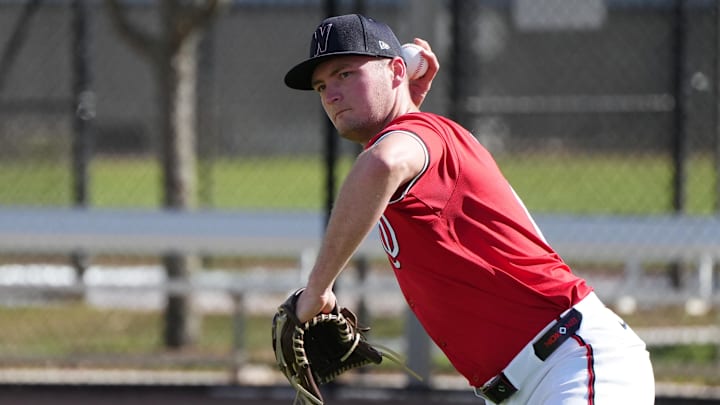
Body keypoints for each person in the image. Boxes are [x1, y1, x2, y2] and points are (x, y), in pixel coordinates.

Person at [283, 13, 655, 404]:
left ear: (396, 72)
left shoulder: (410, 140)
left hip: (571, 363)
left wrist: (317, 291)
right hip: (536, 380)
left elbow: (384, 163)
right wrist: (398, 102)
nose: (331, 94)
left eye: (345, 74)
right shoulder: (417, 137)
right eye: (321, 85)